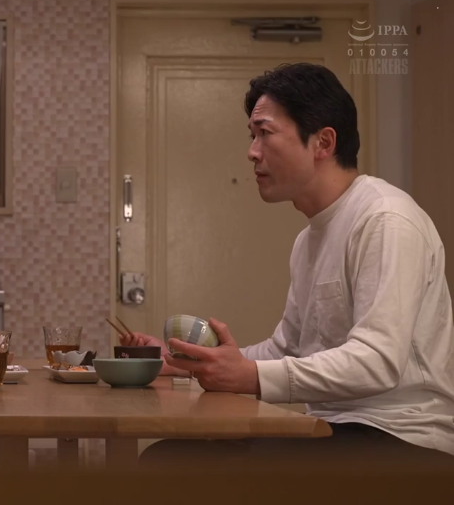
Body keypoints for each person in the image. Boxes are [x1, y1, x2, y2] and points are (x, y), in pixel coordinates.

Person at [122, 63, 454, 470]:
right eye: (252, 135)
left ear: (323, 142)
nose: (252, 151)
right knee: (169, 455)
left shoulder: (385, 219)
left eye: (265, 133)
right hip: (335, 430)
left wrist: (249, 375)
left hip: (403, 439)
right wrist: (187, 363)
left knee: (173, 465)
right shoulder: (308, 239)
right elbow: (286, 350)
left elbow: (377, 361)